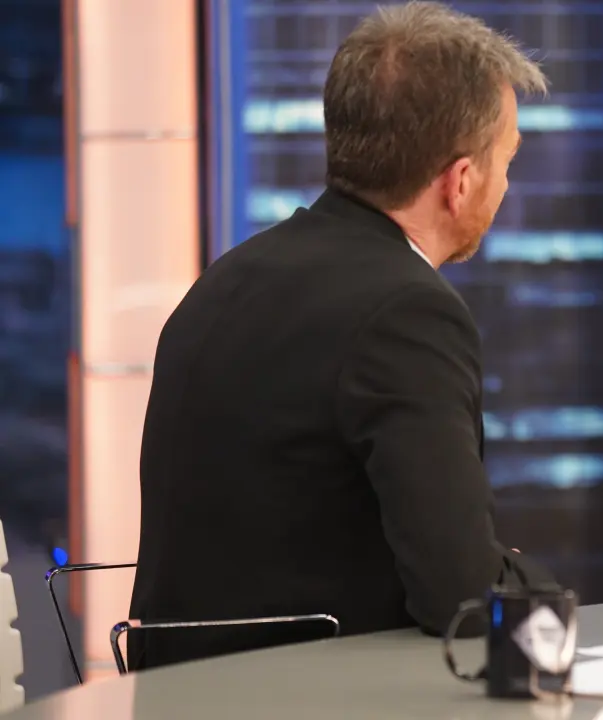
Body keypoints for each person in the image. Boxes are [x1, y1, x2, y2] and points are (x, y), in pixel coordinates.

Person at [128, 2, 550, 669]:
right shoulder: (409, 314)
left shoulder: (228, 277)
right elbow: (463, 598)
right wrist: (525, 581)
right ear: (461, 182)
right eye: (507, 161)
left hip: (173, 691)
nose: (505, 185)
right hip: (307, 693)